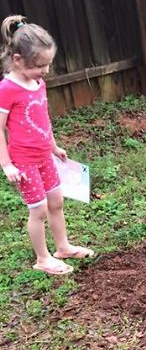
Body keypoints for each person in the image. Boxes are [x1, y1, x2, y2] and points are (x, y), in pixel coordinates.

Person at [0, 15, 93, 275]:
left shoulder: (37, 83)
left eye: (48, 65)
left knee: (56, 201)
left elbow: (43, 117)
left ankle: (62, 247)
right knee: (38, 209)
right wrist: (6, 164)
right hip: (24, 161)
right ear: (18, 60)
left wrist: (53, 146)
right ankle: (43, 258)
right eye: (39, 66)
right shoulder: (7, 89)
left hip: (44, 156)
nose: (45, 71)